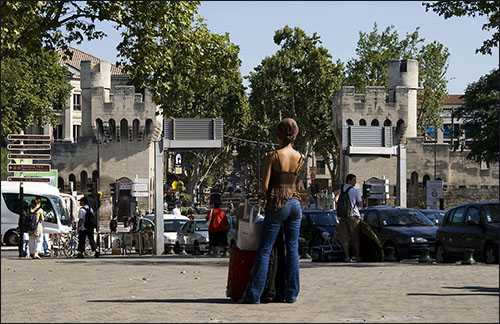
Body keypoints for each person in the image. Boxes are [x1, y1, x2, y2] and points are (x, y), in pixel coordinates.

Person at [244, 117, 305, 304]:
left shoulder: (273, 156)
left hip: (277, 203)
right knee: (293, 249)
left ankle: (254, 295)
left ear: (279, 135)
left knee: (265, 249)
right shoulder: (301, 157)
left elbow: (264, 185)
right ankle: (291, 294)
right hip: (295, 203)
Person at [337, 174, 363, 263]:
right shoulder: (354, 191)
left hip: (342, 216)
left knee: (344, 238)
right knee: (355, 237)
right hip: (353, 216)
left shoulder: (341, 190)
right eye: (354, 180)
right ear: (349, 181)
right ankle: (357, 256)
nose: (355, 182)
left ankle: (347, 256)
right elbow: (359, 203)